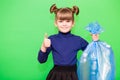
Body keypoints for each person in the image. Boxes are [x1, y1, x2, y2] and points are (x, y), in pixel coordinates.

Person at [38, 4, 98, 80]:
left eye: (68, 21)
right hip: (56, 76)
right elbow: (41, 60)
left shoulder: (78, 40)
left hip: (73, 76)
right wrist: (43, 46)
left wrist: (95, 41)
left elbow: (93, 54)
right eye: (61, 21)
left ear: (73, 23)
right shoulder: (51, 39)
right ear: (56, 23)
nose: (64, 24)